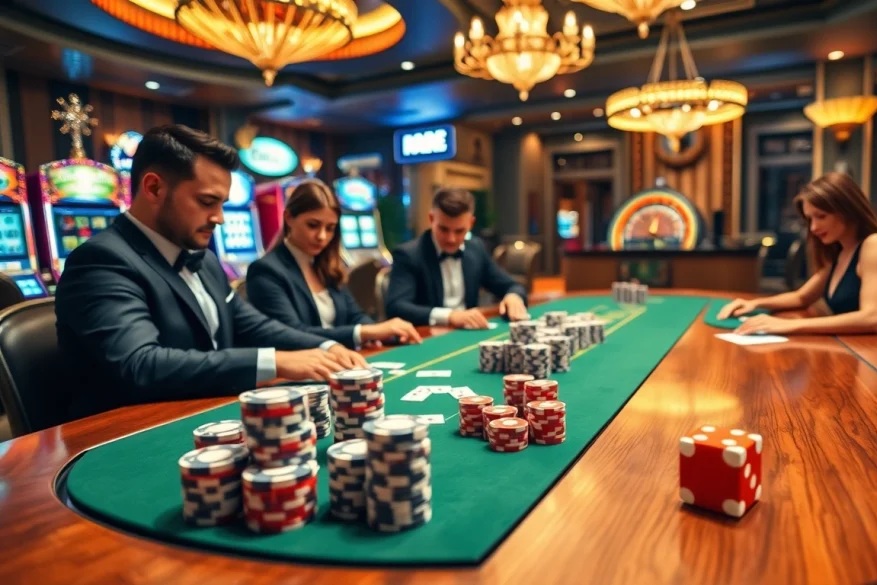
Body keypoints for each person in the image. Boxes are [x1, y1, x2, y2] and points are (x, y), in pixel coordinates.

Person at [55, 124, 367, 418]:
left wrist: (325, 347)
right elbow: (140, 364)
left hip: (202, 411)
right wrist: (274, 361)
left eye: (222, 204)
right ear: (153, 188)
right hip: (126, 437)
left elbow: (255, 326)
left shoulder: (203, 259)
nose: (219, 218)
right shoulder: (102, 260)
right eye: (207, 202)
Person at [717, 172, 877, 347]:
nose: (813, 228)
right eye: (809, 219)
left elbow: (872, 318)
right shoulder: (840, 250)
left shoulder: (876, 244)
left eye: (821, 216)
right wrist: (755, 304)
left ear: (849, 210)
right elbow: (802, 297)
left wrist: (789, 325)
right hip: (859, 349)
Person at [246, 180, 421, 348]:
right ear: (289, 217)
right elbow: (293, 334)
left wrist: (384, 333)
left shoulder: (327, 266)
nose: (322, 236)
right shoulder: (266, 271)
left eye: (330, 228)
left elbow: (355, 316)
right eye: (313, 225)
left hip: (340, 360)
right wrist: (365, 332)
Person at [385, 188, 529, 328]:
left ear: (471, 223)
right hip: (428, 338)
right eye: (443, 229)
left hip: (469, 334)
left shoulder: (476, 248)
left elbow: (512, 285)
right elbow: (396, 307)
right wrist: (449, 316)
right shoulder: (408, 254)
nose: (451, 239)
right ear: (431, 218)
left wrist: (513, 296)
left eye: (460, 231)